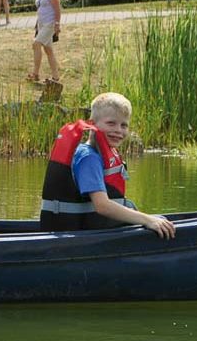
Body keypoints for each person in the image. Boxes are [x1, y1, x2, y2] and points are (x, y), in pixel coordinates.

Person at [39, 92, 175, 239]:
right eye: (111, 123)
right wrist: (148, 220)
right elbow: (102, 206)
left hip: (90, 230)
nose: (118, 130)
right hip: (79, 237)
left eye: (124, 125)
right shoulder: (89, 158)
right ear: (92, 124)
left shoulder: (98, 155)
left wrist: (149, 219)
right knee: (155, 220)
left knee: (160, 219)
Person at [29, 0, 61, 83]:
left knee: (36, 44)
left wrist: (57, 24)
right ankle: (55, 77)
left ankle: (35, 74)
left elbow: (57, 9)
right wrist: (37, 24)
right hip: (42, 24)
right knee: (48, 50)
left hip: (49, 24)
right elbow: (41, 8)